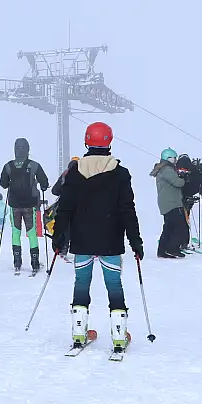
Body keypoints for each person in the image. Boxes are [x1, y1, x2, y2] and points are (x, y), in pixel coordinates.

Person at [51, 122, 144, 353]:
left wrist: (58, 237)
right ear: (109, 142)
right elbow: (127, 210)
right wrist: (135, 241)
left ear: (86, 142)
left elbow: (65, 209)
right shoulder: (121, 174)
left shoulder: (75, 172)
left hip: (82, 240)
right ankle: (120, 336)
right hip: (111, 241)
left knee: (82, 283)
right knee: (114, 284)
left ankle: (79, 333)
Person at [0, 137, 49, 274]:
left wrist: (10, 182)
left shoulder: (8, 166)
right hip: (30, 204)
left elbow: (3, 184)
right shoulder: (34, 165)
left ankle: (17, 262)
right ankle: (35, 262)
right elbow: (44, 182)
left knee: (16, 232)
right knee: (31, 233)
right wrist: (42, 186)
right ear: (28, 150)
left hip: (14, 204)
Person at [151, 148, 188, 259]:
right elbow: (178, 183)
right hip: (172, 203)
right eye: (174, 158)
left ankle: (162, 250)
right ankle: (173, 249)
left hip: (167, 202)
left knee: (169, 227)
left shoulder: (163, 169)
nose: (175, 160)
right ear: (168, 158)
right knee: (179, 226)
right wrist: (183, 177)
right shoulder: (167, 169)